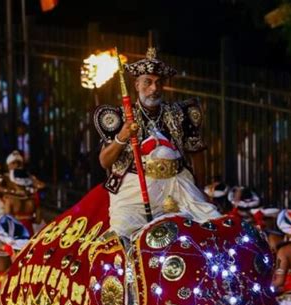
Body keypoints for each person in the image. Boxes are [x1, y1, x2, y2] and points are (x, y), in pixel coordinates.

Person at [94, 47, 220, 238]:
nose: (154, 88)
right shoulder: (119, 116)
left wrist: (199, 189)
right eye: (148, 82)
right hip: (135, 187)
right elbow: (104, 162)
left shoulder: (180, 113)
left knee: (212, 224)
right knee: (121, 236)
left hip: (178, 184)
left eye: (158, 83)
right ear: (136, 85)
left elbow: (197, 154)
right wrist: (122, 136)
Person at [0, 151, 45, 235]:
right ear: (8, 165)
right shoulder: (3, 176)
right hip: (9, 203)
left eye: (18, 163)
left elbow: (41, 185)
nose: (16, 165)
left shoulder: (27, 176)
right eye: (13, 163)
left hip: (27, 202)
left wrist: (32, 189)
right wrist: (15, 192)